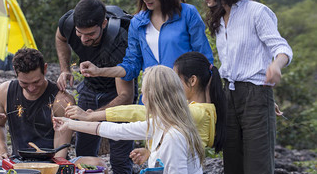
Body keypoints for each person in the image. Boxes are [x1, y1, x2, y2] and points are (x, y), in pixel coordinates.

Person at [199, 0, 293, 174]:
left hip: (255, 99)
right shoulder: (219, 18)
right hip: (229, 98)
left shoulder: (257, 12)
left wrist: (276, 65)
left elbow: (280, 46)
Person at [54, 65, 206, 174]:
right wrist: (70, 123)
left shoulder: (173, 137)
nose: (142, 97)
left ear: (153, 96)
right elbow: (116, 131)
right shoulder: (161, 124)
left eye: (144, 91)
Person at [66, 51, 226, 165]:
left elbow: (141, 112)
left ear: (192, 81)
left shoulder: (195, 113)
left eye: (176, 79)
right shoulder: (195, 110)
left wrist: (92, 116)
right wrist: (150, 153)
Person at [80, 0, 213, 94]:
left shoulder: (188, 14)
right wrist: (98, 71)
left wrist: (205, 101)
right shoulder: (137, 22)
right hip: (151, 100)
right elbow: (131, 66)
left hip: (183, 100)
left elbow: (205, 60)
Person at [56, 0, 135, 174]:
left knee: (120, 158)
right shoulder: (68, 22)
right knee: (83, 153)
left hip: (116, 95)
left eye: (90, 34)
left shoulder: (120, 40)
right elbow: (60, 37)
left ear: (104, 23)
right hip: (89, 89)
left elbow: (125, 95)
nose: (83, 40)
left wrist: (93, 115)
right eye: (79, 33)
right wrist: (65, 69)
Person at [0, 48, 75, 163]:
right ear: (15, 71)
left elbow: (61, 152)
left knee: (96, 163)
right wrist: (2, 151)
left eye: (36, 82)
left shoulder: (61, 100)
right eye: (24, 83)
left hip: (51, 162)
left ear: (45, 69)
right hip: (17, 161)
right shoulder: (5, 91)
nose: (31, 88)